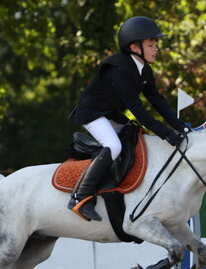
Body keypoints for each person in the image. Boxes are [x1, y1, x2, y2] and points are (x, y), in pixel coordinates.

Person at [67, 16, 188, 221]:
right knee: (114, 146)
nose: (156, 49)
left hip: (110, 113)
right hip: (92, 113)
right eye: (151, 45)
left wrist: (180, 126)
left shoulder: (144, 70)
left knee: (137, 137)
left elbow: (157, 100)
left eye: (155, 45)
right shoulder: (119, 71)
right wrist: (166, 133)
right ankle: (81, 196)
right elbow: (137, 109)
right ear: (134, 47)